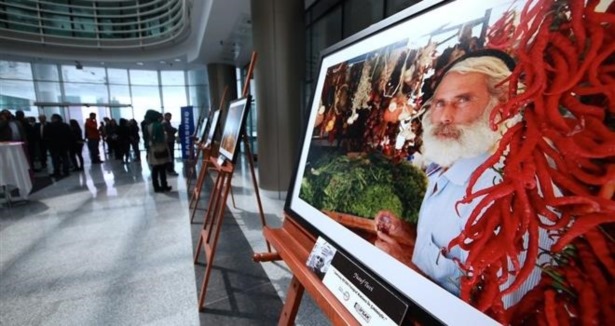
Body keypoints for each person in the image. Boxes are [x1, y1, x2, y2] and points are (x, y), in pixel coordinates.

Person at [376, 50, 552, 308]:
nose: (445, 116)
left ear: (500, 105)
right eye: (439, 103)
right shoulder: (446, 167)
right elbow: (452, 266)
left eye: (463, 100)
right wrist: (407, 235)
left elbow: (491, 314)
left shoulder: (510, 193)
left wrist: (404, 267)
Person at [144, 110, 172, 192]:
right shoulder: (159, 125)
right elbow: (163, 138)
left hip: (152, 150)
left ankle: (156, 187)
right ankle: (164, 185)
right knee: (162, 169)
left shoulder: (146, 126)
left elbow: (146, 139)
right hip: (161, 149)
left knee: (154, 169)